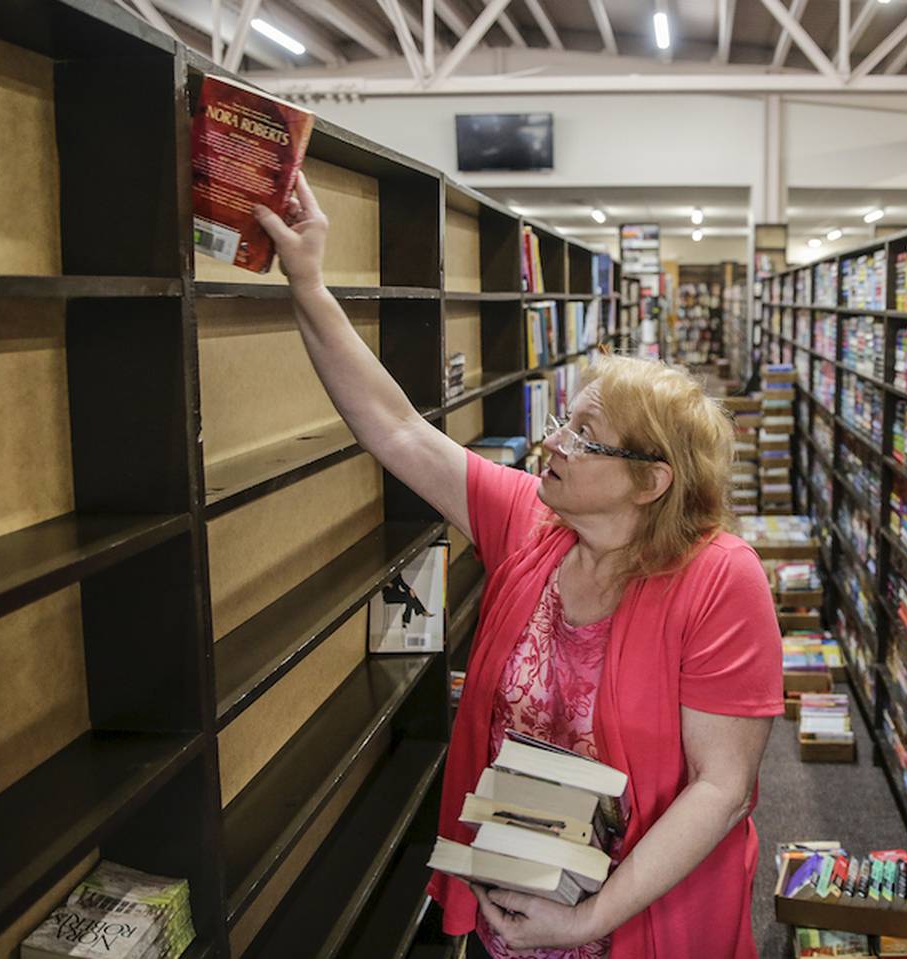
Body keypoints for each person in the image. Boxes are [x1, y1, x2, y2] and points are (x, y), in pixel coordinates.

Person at [255, 175, 783, 959]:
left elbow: (721, 788)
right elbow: (397, 430)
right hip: (518, 911)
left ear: (650, 480)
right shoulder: (532, 519)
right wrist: (308, 283)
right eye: (563, 420)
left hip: (641, 922)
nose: (553, 443)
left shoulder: (721, 580)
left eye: (583, 433)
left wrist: (588, 921)